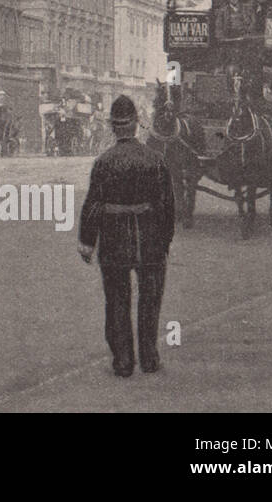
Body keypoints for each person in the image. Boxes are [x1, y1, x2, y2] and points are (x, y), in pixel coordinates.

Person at [78, 95, 176, 377]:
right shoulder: (155, 159)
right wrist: (165, 240)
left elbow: (93, 205)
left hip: (114, 240)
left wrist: (87, 241)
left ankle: (123, 360)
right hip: (150, 240)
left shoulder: (103, 162)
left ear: (113, 126)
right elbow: (168, 206)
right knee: (150, 299)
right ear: (136, 125)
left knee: (117, 300)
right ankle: (149, 357)